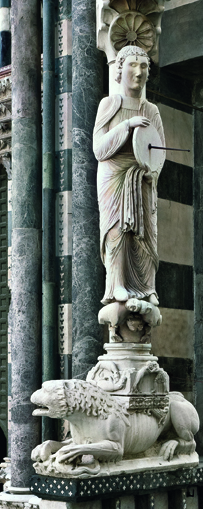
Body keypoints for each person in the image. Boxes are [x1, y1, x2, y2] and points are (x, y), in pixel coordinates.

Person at [94, 44, 162, 310]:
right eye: (133, 65)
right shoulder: (109, 104)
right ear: (120, 70)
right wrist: (126, 125)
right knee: (118, 228)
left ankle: (147, 288)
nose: (139, 71)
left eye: (144, 66)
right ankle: (117, 284)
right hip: (114, 175)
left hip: (142, 176)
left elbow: (160, 149)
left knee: (146, 232)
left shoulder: (151, 110)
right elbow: (98, 148)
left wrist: (151, 171)